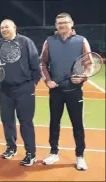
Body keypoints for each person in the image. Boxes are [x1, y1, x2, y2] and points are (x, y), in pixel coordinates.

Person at [40, 13, 89, 170]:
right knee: (54, 123)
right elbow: (42, 64)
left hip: (74, 90)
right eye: (59, 23)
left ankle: (80, 156)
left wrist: (82, 76)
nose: (62, 25)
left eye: (65, 22)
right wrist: (48, 81)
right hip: (56, 91)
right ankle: (53, 153)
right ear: (56, 25)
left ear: (71, 23)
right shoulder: (49, 42)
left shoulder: (81, 41)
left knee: (78, 124)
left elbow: (89, 64)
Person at [0, 19, 41, 166]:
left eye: (7, 27)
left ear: (14, 27)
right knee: (7, 121)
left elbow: (35, 66)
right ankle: (11, 147)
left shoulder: (26, 42)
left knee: (25, 122)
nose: (4, 29)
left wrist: (32, 85)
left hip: (24, 89)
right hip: (5, 89)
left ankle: (31, 153)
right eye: (1, 28)